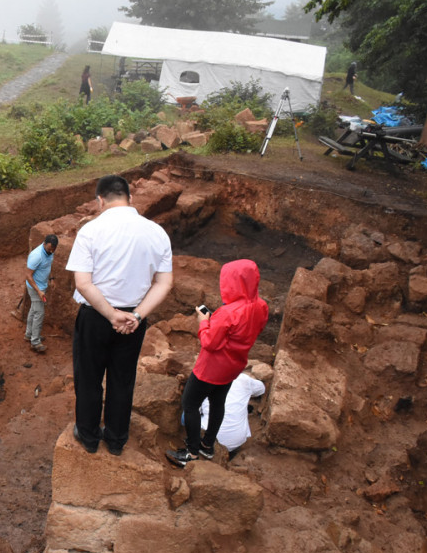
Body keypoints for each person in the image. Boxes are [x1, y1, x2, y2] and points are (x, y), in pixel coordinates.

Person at [66, 174, 173, 456]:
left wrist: (111, 314)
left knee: (89, 378)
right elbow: (163, 283)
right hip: (134, 320)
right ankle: (116, 440)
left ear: (100, 200)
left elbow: (83, 283)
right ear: (130, 198)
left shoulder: (90, 231)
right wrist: (136, 316)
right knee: (122, 379)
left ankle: (89, 437)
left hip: (96, 316)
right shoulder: (156, 232)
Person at [166, 260, 269, 467]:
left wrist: (204, 322)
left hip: (210, 368)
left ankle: (192, 453)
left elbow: (209, 343)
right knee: (217, 402)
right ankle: (208, 445)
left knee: (190, 404)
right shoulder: (260, 306)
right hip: (233, 366)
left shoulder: (228, 312)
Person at [188, 371, 266, 458]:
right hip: (237, 440)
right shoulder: (243, 379)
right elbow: (261, 389)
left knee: (190, 413)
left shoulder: (203, 381)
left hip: (208, 438)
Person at [25, 234, 59, 354]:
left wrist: (51, 278)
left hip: (42, 286)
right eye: (49, 248)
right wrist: (38, 291)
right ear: (44, 244)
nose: (51, 251)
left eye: (53, 249)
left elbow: (48, 266)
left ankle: (29, 334)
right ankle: (35, 342)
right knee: (39, 313)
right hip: (35, 288)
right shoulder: (36, 255)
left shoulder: (50, 251)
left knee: (34, 310)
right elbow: (28, 276)